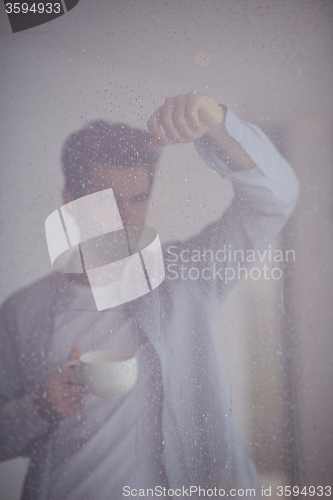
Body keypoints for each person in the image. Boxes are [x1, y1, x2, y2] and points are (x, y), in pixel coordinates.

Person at [0, 93, 299, 499]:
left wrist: (217, 122)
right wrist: (40, 409)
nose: (124, 219)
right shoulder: (21, 313)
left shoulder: (187, 275)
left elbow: (275, 200)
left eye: (137, 199)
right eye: (105, 200)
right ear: (70, 201)